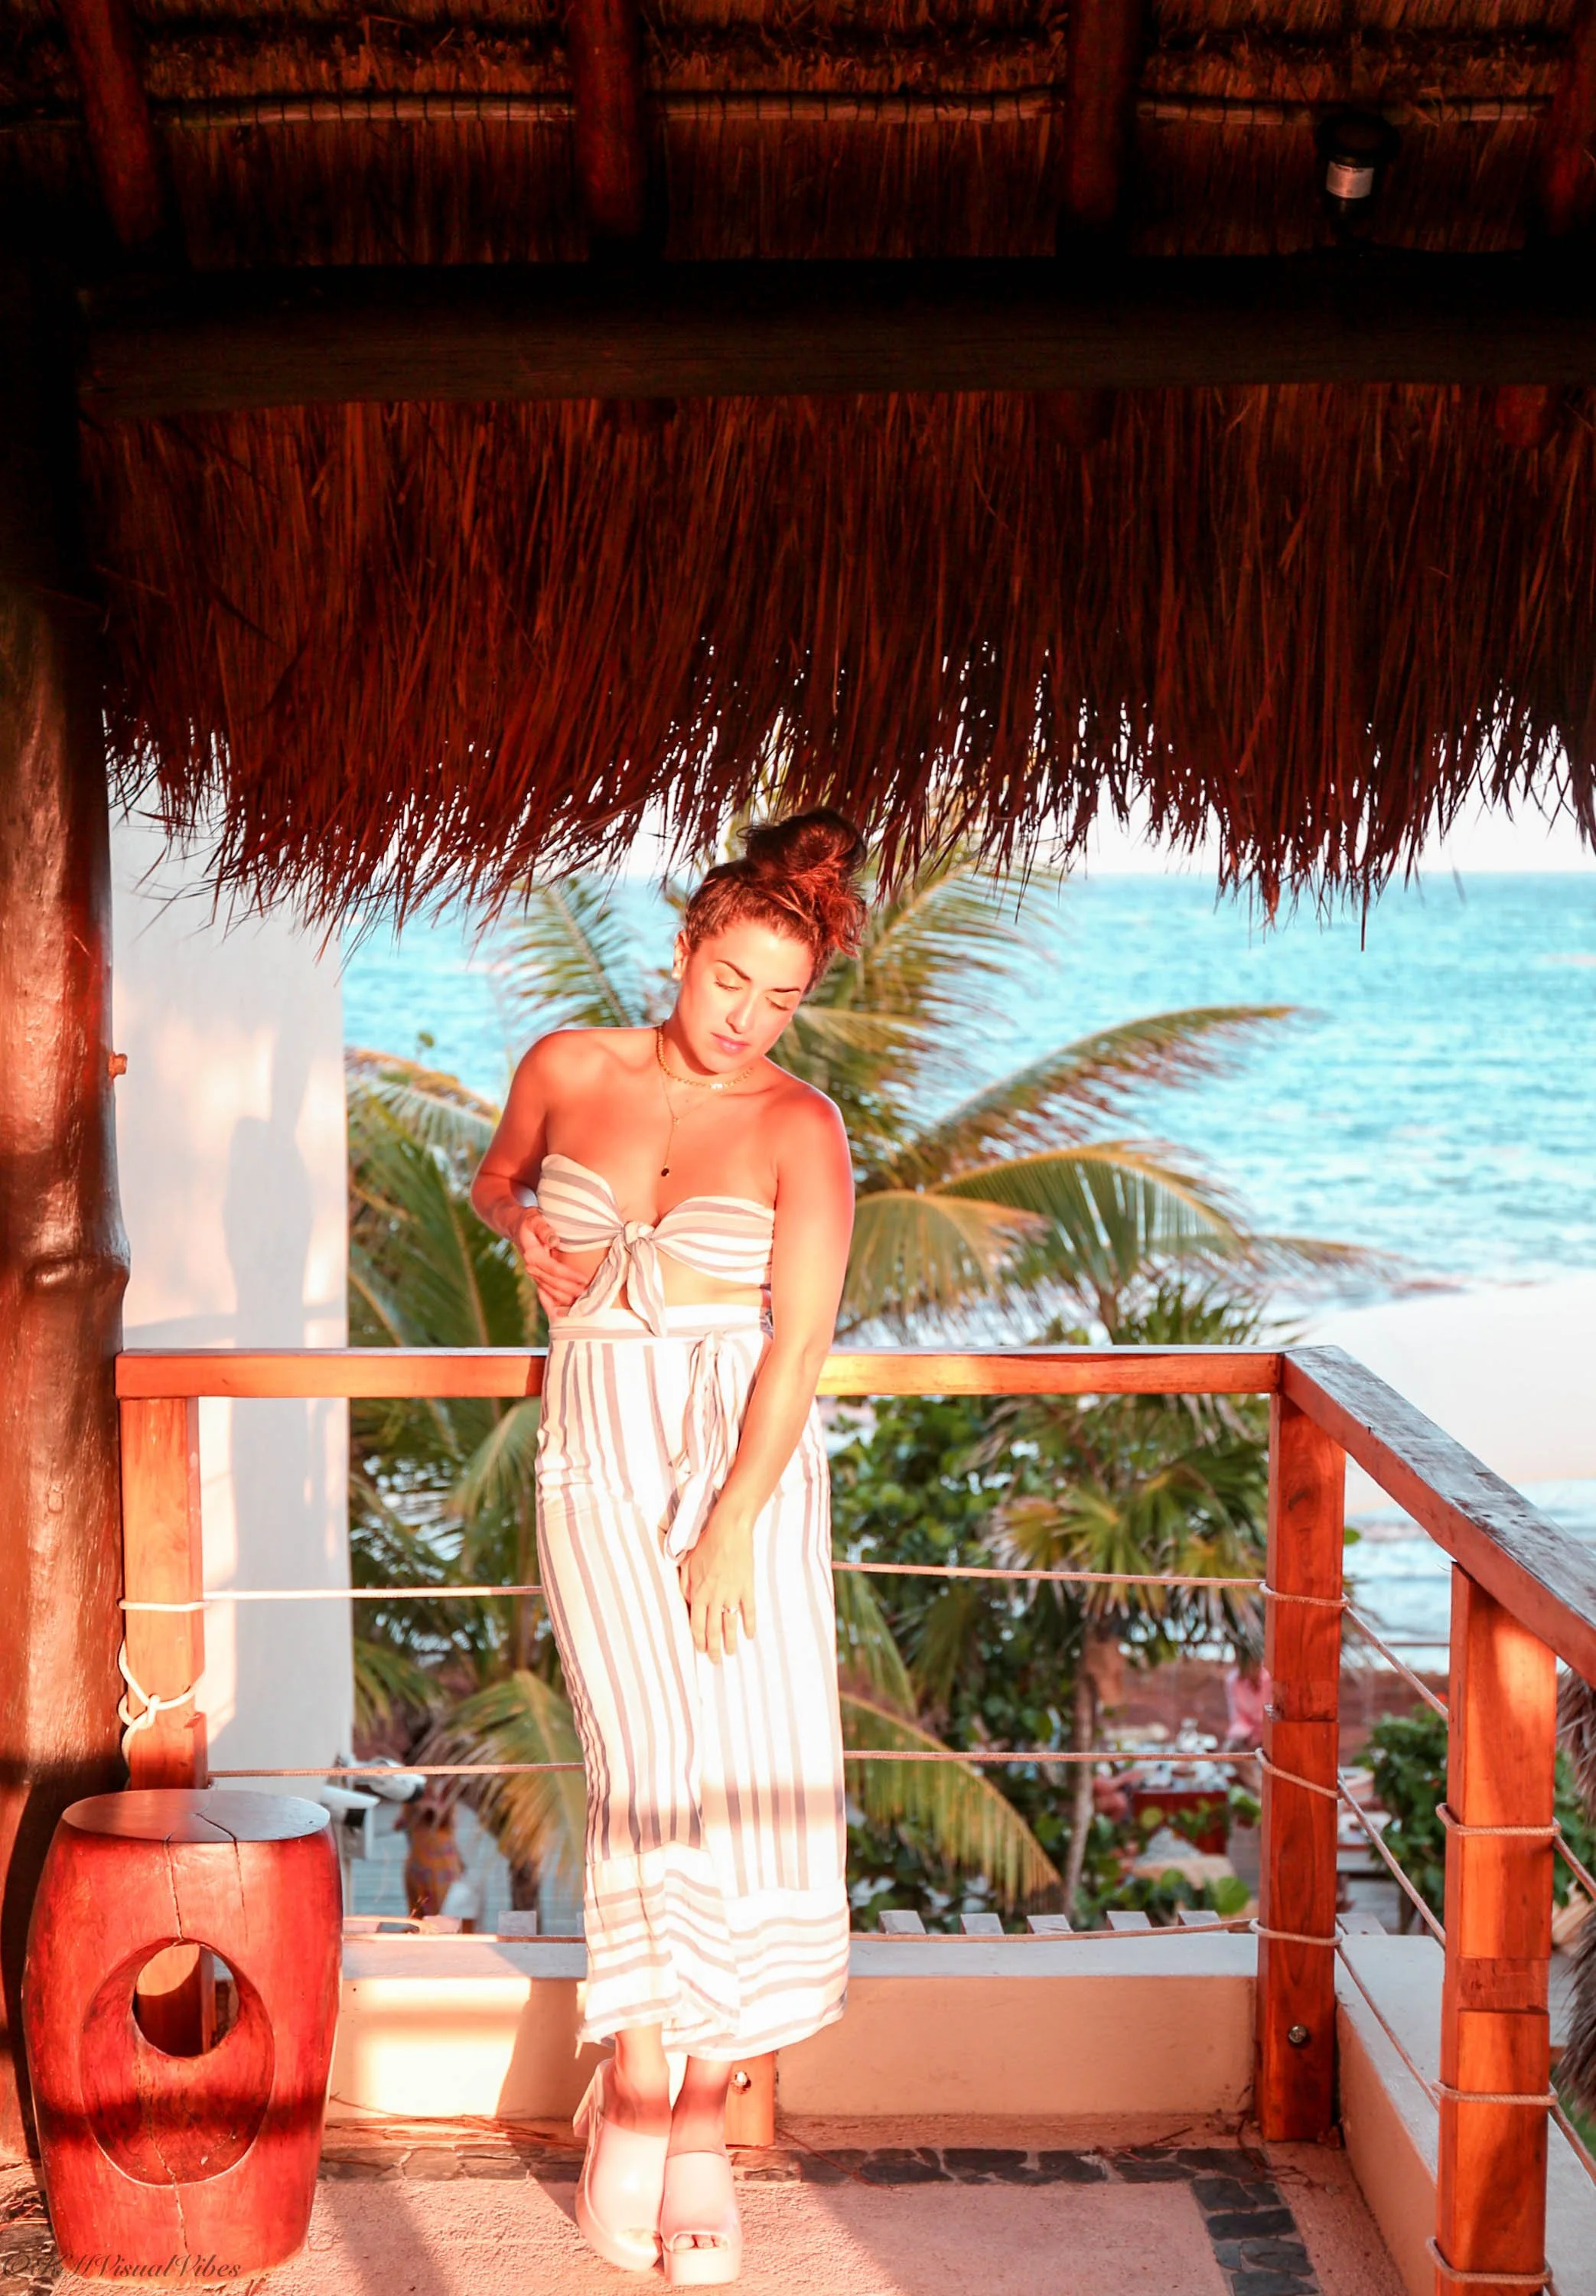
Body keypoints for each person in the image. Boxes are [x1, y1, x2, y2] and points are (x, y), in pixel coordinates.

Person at [469, 810, 863, 2286]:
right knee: (643, 1768)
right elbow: (497, 1178)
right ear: (686, 946)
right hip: (595, 1458)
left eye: (780, 999)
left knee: (747, 1779)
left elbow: (799, 1345)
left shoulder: (801, 1127)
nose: (745, 1017)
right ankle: (636, 2086)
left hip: (739, 1477)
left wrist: (734, 1524)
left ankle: (700, 2111)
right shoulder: (569, 1067)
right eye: (729, 980)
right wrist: (518, 1223)